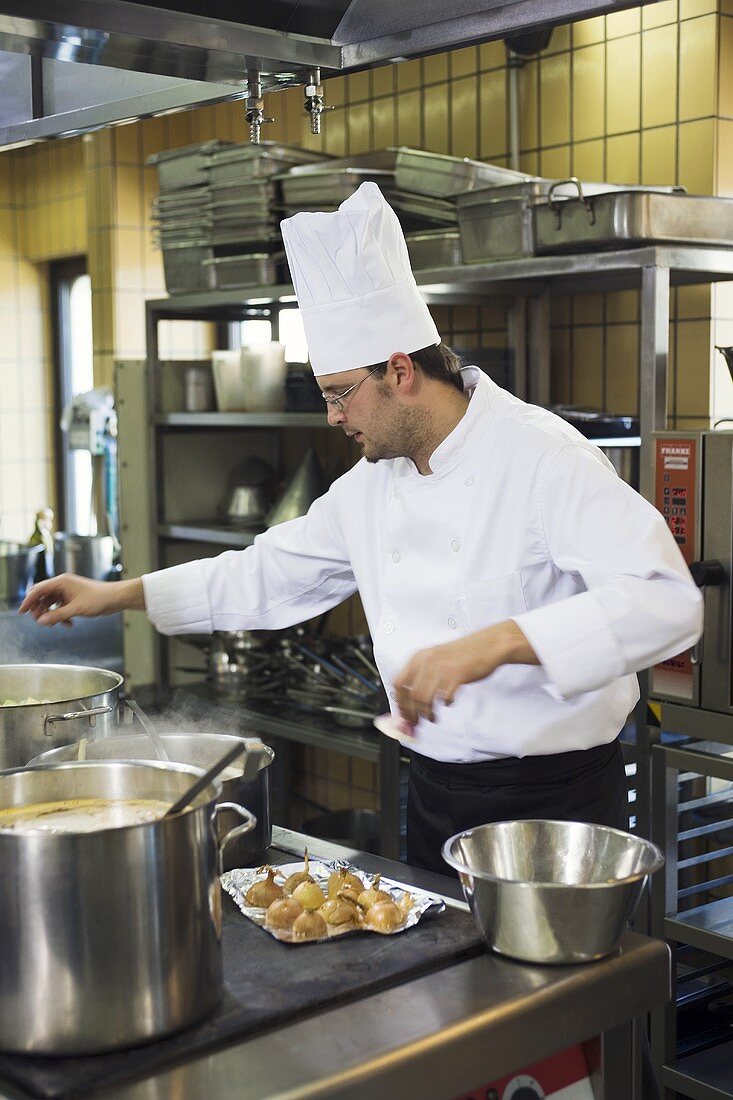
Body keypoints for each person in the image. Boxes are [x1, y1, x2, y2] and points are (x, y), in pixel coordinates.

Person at [20, 182, 703, 875]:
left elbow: (665, 603)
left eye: (338, 395)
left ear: (400, 371)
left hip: (552, 806)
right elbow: (265, 572)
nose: (333, 417)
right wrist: (115, 594)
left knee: (552, 986)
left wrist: (495, 644)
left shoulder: (544, 458)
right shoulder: (372, 487)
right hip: (433, 792)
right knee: (441, 981)